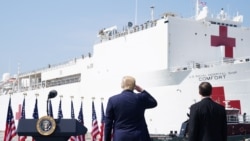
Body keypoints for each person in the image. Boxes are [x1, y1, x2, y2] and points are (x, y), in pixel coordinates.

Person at [104, 76, 157, 141]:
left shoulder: (113, 100)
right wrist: (142, 91)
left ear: (122, 85)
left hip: (121, 137)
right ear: (134, 86)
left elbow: (108, 124)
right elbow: (154, 103)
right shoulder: (141, 98)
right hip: (139, 137)